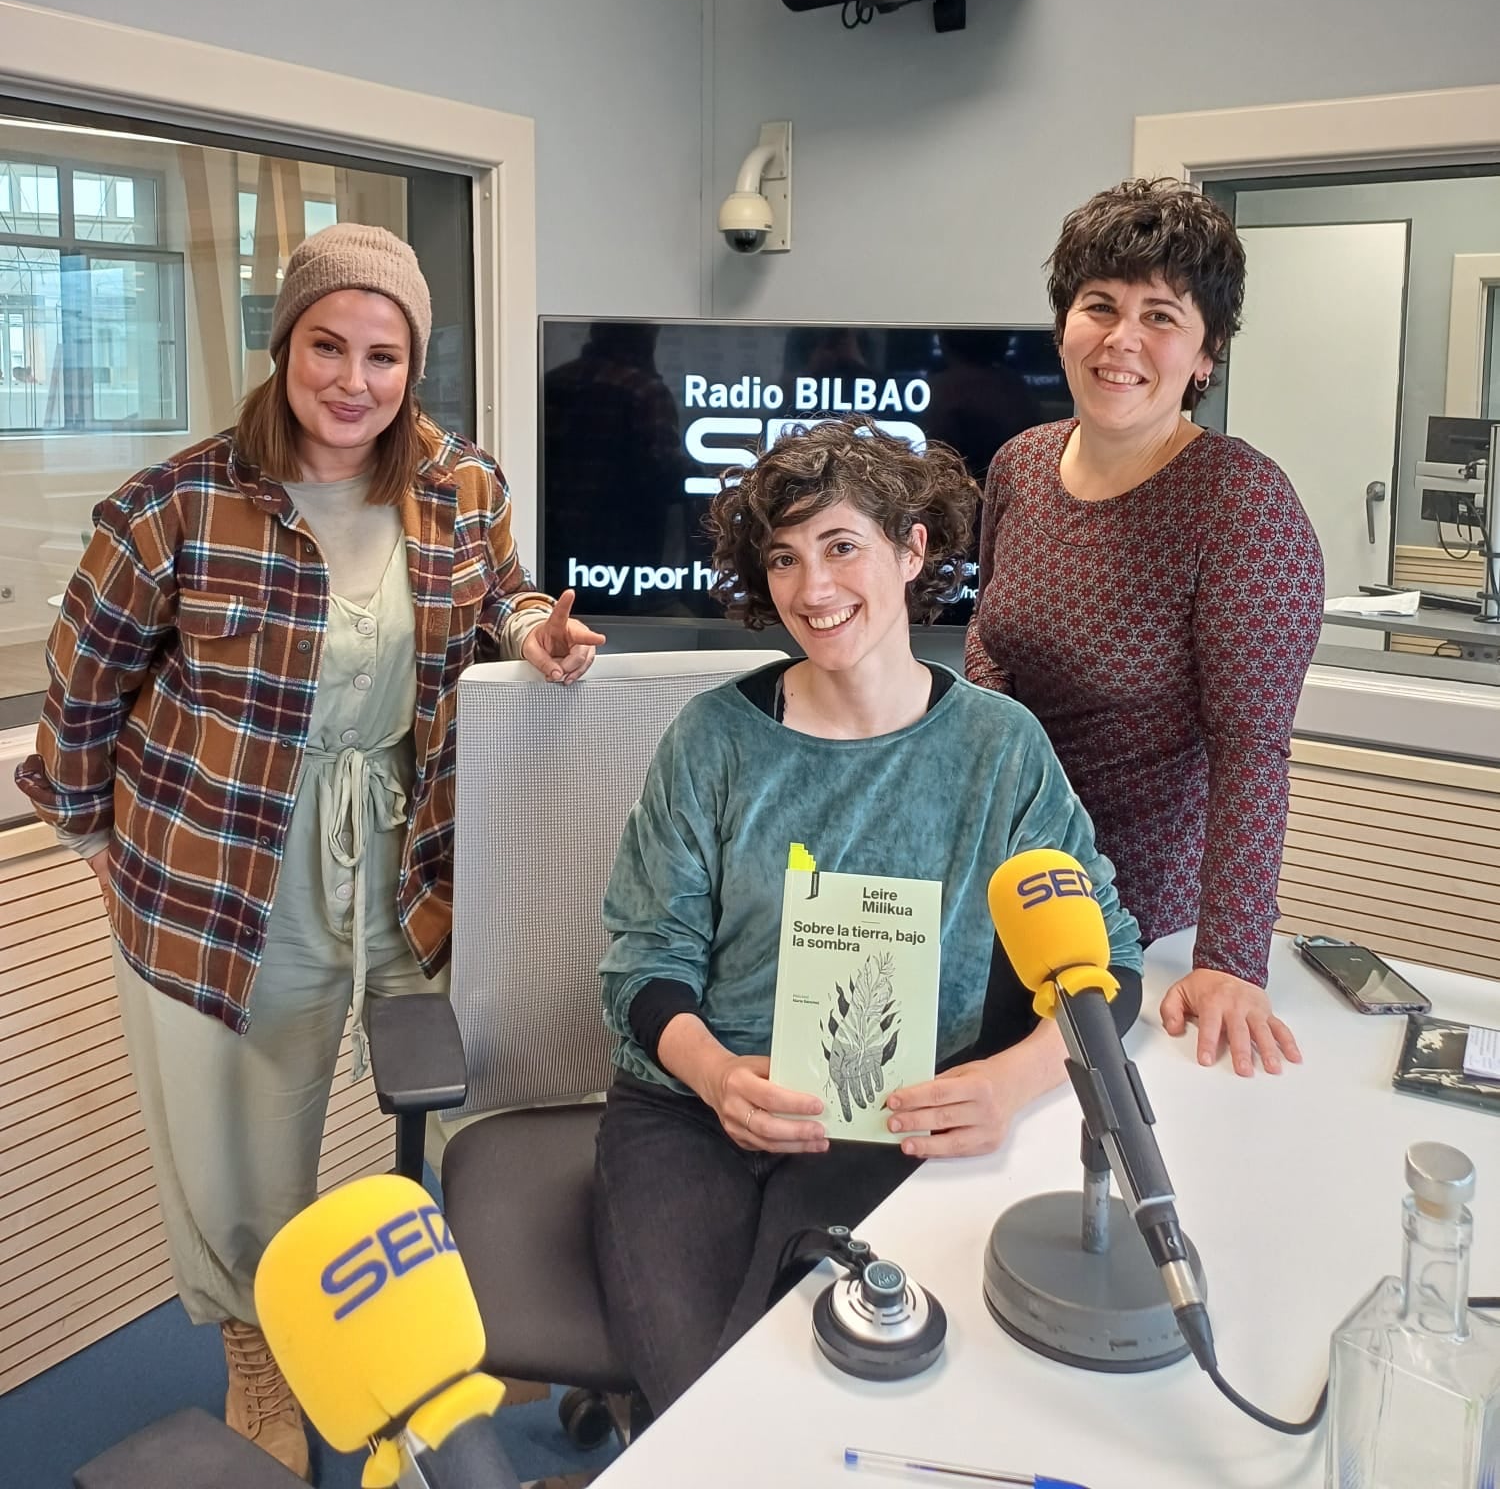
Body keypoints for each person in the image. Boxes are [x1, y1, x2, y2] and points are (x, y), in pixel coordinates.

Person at [16, 224, 603, 1478]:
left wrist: (538, 628)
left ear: (415, 364)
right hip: (235, 862)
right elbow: (80, 697)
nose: (354, 377)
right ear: (282, 348)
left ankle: (491, 1305)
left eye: (383, 353)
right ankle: (257, 1347)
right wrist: (96, 839)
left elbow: (505, 594)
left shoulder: (460, 482)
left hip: (414, 839)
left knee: (463, 1083)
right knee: (242, 1125)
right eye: (326, 345)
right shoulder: (173, 506)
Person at [593, 418, 1143, 1414]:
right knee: (695, 1400)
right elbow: (642, 964)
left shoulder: (997, 747)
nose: (815, 589)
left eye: (843, 546)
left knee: (818, 1384)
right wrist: (717, 1073)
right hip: (689, 1110)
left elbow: (1105, 960)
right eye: (786, 559)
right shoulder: (713, 740)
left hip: (888, 1114)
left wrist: (1010, 1083)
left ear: (913, 547)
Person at [965, 178, 1324, 1081]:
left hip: (1138, 914)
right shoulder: (1020, 464)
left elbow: (1252, 748)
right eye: (1100, 306)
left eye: (1162, 315)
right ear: (1064, 326)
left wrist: (1230, 960)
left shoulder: (1241, 504)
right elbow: (989, 637)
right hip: (1003, 873)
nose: (1124, 340)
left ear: (1207, 355)